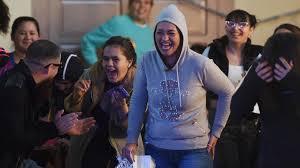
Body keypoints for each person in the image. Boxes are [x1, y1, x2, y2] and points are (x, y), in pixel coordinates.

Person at [122, 4, 235, 168]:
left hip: (195, 150)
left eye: (171, 33)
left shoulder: (199, 63)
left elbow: (228, 92)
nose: (164, 38)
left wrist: (217, 132)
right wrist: (131, 140)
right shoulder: (147, 60)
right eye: (159, 33)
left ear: (182, 35)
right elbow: (138, 100)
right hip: (156, 148)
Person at [0, 39, 95, 167]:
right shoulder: (16, 90)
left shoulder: (18, 77)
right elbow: (17, 139)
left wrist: (56, 128)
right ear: (50, 68)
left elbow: (24, 127)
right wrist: (56, 128)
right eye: (58, 66)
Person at [64, 36, 144, 168]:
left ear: (129, 62)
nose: (109, 64)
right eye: (105, 59)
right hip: (88, 143)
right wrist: (77, 95)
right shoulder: (91, 74)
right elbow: (73, 112)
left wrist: (122, 106)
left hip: (124, 147)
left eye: (115, 59)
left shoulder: (141, 83)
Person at [202, 9, 263, 168]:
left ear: (251, 29)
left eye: (242, 23)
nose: (236, 28)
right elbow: (199, 85)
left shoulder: (260, 54)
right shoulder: (212, 51)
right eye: (231, 22)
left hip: (251, 121)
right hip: (218, 119)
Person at [230, 32, 300, 168]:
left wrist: (294, 82)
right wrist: (253, 81)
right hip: (270, 156)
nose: (277, 68)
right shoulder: (262, 74)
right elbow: (236, 111)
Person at [80, 0, 154, 66]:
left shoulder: (151, 32)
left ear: (151, 6)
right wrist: (97, 70)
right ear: (130, 4)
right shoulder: (118, 23)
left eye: (146, 2)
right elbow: (87, 40)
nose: (142, 6)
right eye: (137, 2)